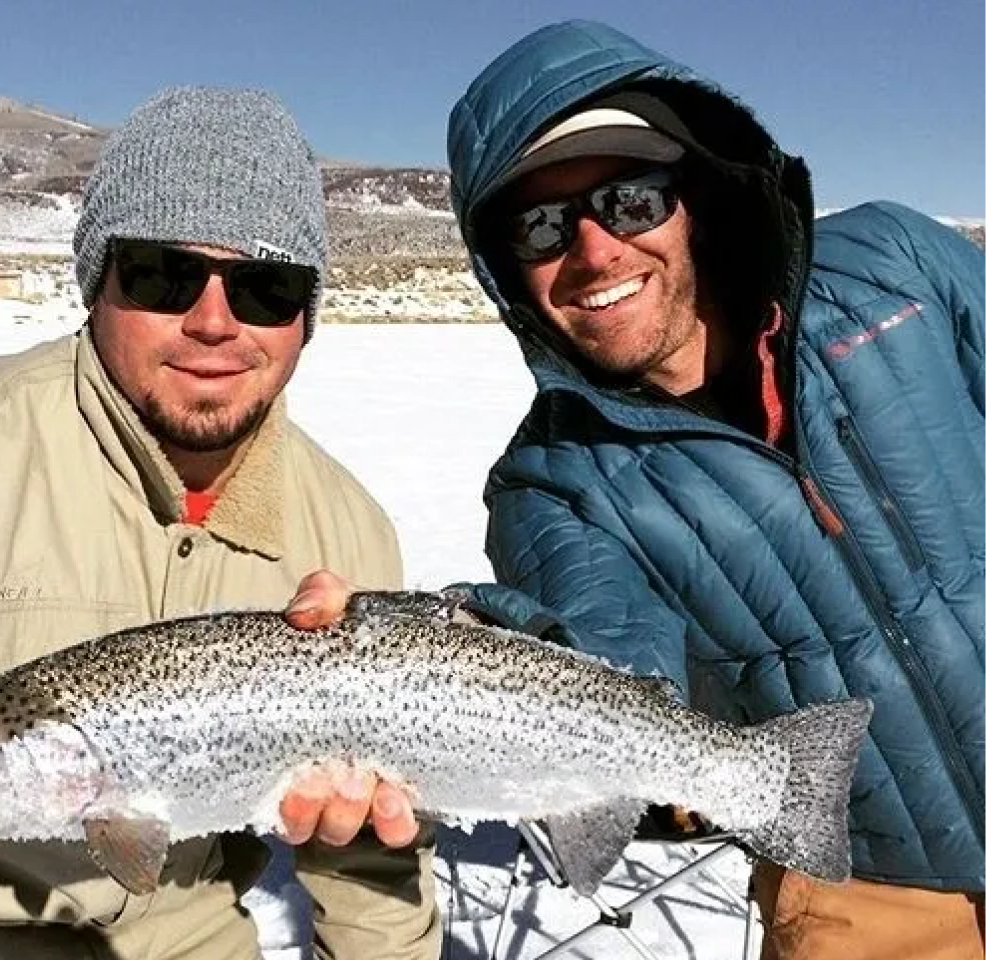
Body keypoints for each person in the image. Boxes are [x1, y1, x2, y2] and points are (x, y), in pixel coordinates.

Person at [293, 19, 985, 960]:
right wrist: (440, 651)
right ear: (506, 271)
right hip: (868, 889)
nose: (595, 250)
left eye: (629, 199)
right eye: (540, 226)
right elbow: (605, 667)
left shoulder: (900, 271)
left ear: (694, 192)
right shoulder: (553, 484)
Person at [0, 85, 437, 960]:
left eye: (265, 287)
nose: (213, 321)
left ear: (304, 319)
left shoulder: (345, 530)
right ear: (97, 281)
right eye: (162, 275)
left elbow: (372, 857)